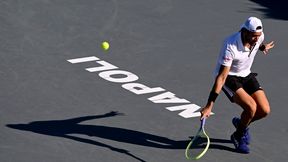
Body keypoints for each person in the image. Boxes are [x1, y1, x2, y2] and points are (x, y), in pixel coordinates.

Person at [200, 17, 275, 153]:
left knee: (264, 110)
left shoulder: (258, 37)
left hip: (246, 74)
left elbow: (258, 43)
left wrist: (262, 47)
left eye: (258, 36)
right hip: (229, 77)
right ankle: (238, 136)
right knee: (251, 107)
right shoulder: (230, 45)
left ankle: (241, 124)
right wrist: (209, 105)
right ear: (245, 31)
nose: (256, 39)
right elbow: (222, 77)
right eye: (253, 36)